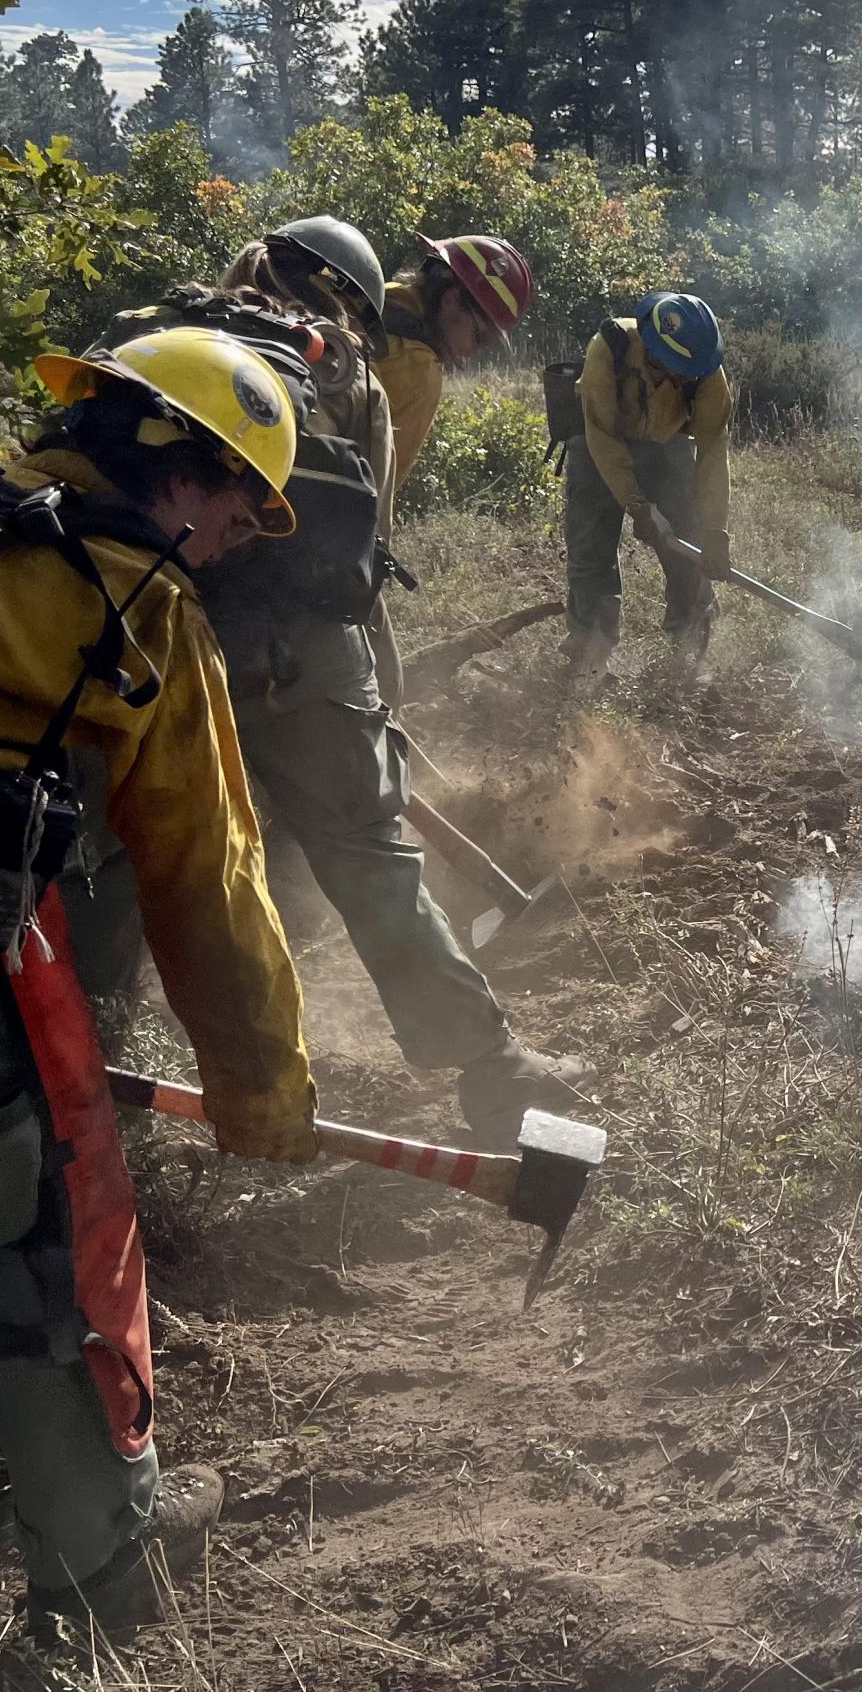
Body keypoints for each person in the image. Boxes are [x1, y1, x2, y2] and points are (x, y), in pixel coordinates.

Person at [0, 330, 321, 1686]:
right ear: (181, 464)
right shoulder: (131, 598)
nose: (235, 537)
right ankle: (111, 1559)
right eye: (239, 502)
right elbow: (206, 875)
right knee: (46, 1254)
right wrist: (262, 1085)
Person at [207, 216, 583, 1140]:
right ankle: (491, 1069)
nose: (478, 346)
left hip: (147, 630)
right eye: (480, 327)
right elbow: (356, 541)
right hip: (288, 643)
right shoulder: (376, 374)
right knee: (367, 847)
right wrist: (376, 688)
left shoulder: (179, 333)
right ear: (441, 295)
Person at [562, 291, 736, 685]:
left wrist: (715, 532)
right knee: (592, 553)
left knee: (690, 550)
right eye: (674, 368)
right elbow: (602, 437)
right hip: (599, 448)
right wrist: (638, 506)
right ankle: (590, 659)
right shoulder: (609, 348)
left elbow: (712, 455)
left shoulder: (708, 374)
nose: (682, 378)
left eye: (688, 372)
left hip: (666, 446)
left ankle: (686, 657)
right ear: (653, 348)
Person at [375, 234, 536, 481]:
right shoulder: (420, 369)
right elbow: (382, 481)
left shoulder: (382, 297)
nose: (475, 350)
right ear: (452, 301)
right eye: (480, 337)